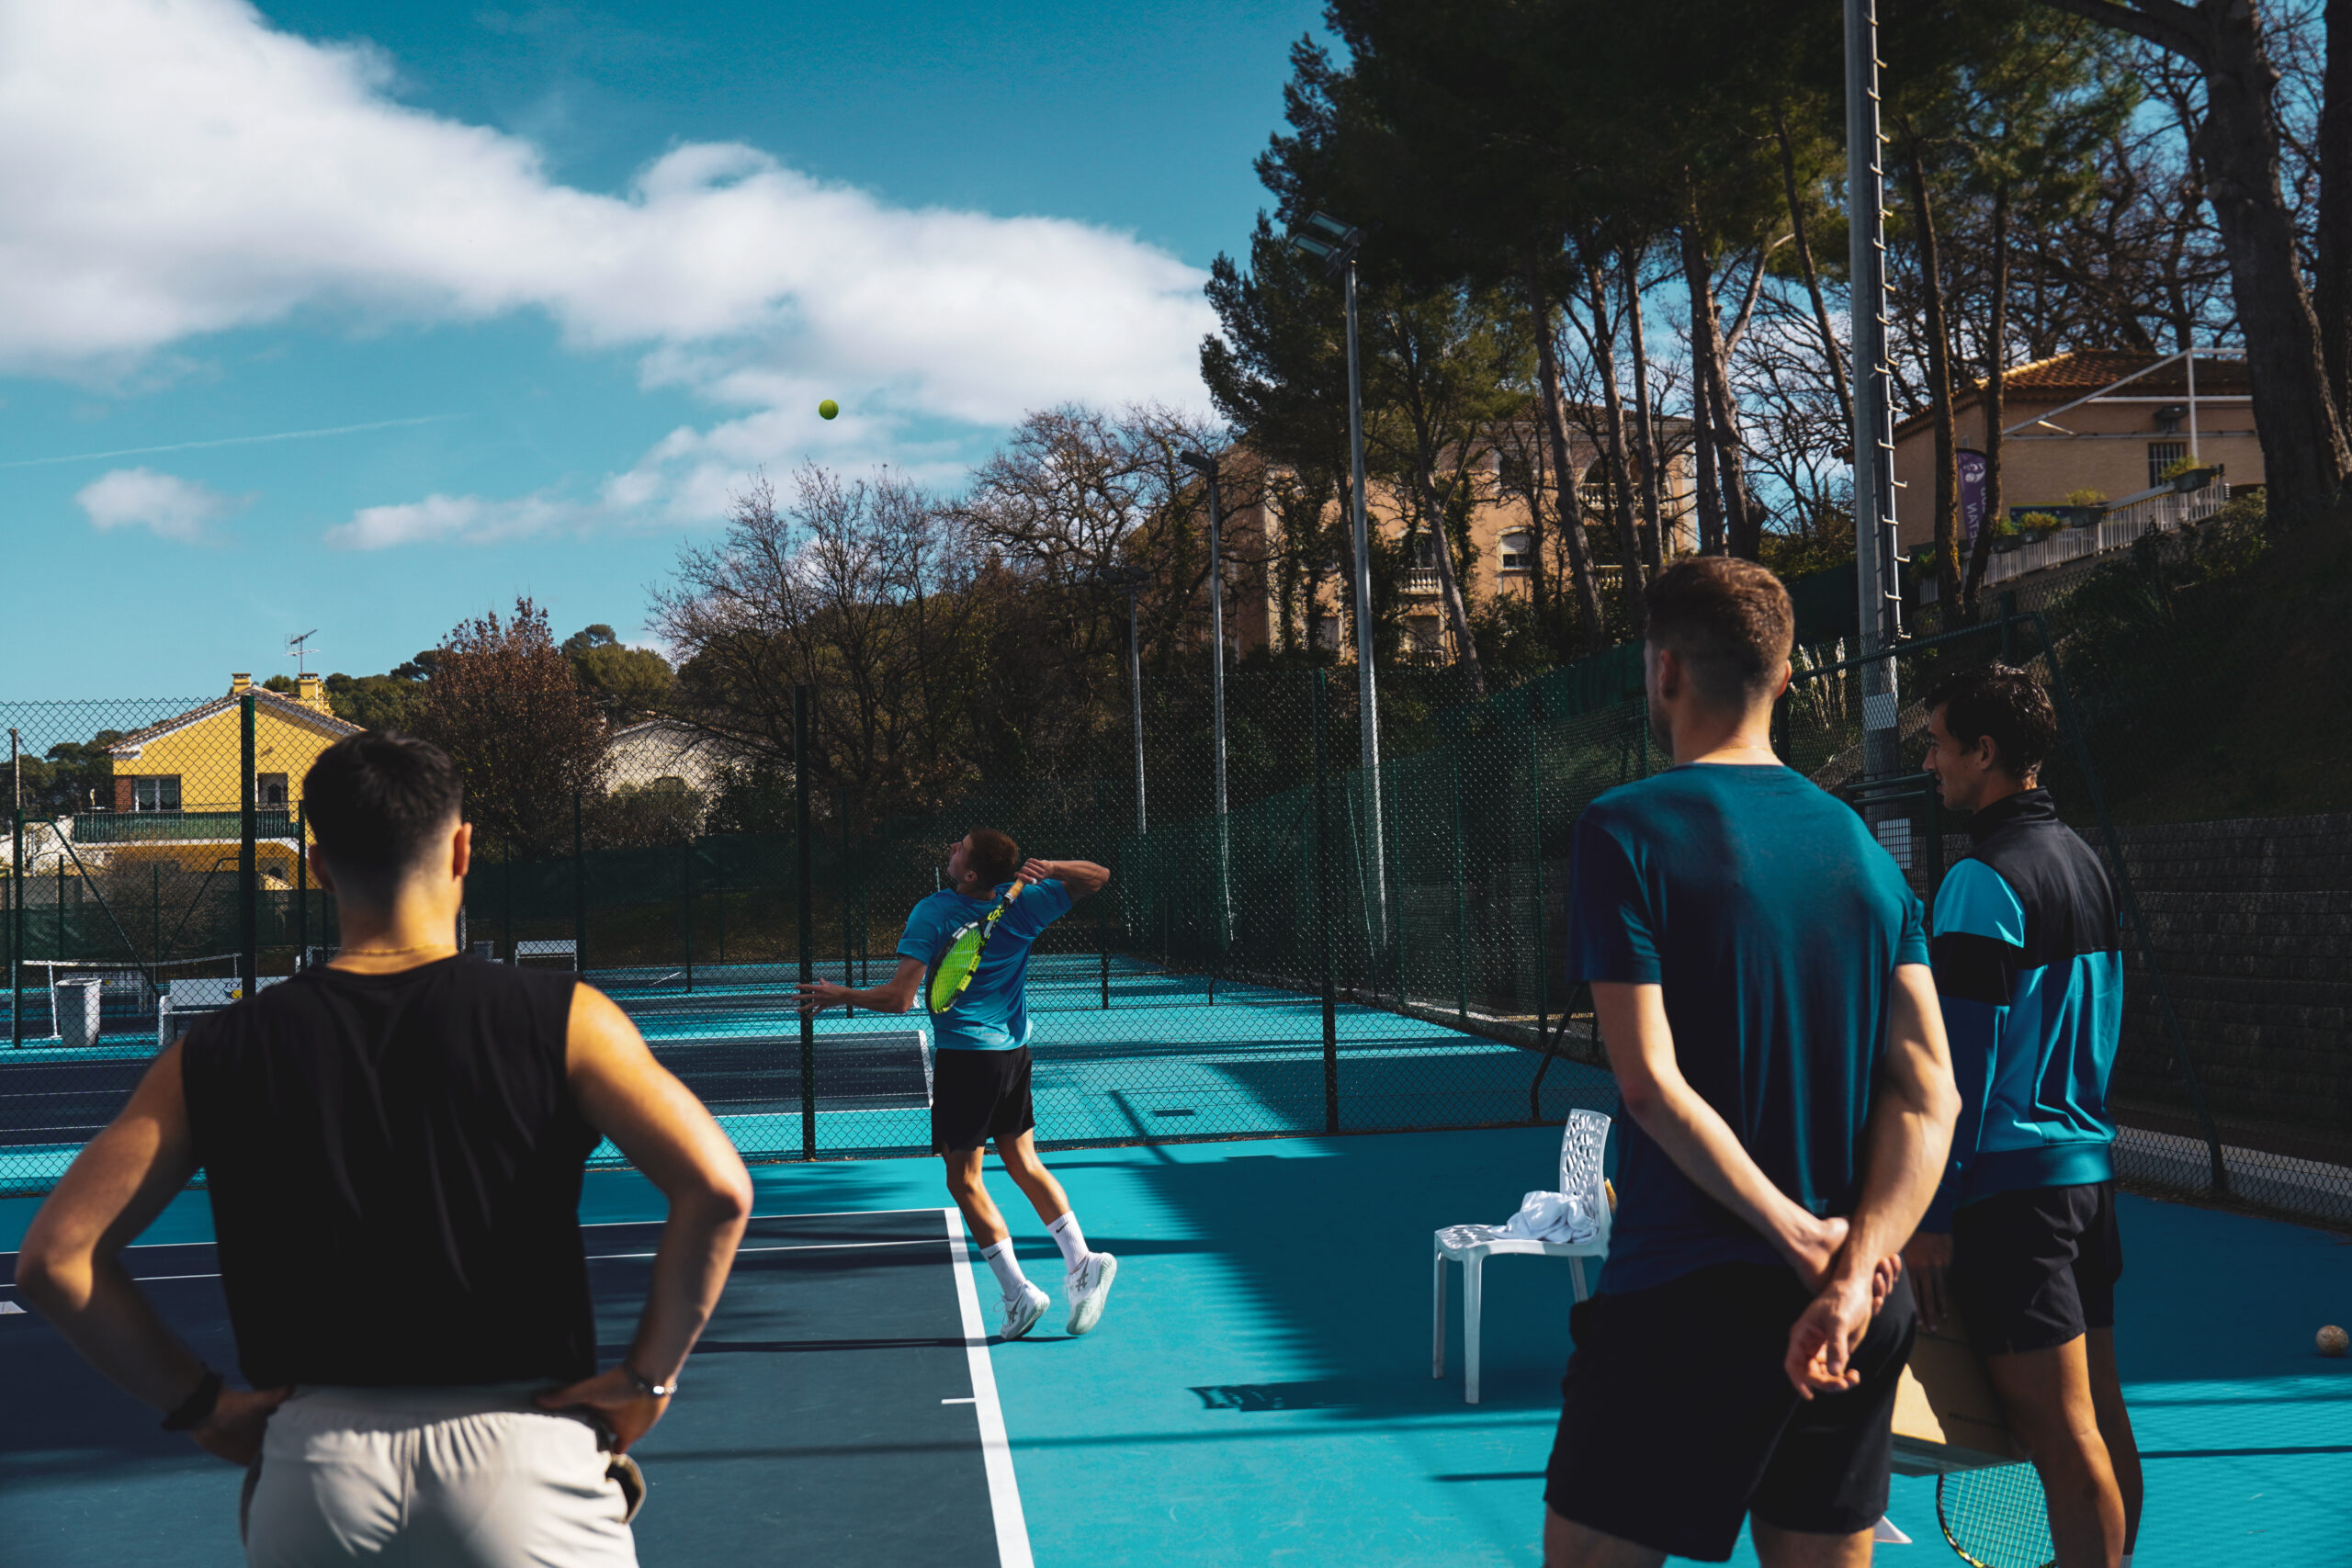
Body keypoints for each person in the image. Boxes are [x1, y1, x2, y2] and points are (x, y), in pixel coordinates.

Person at [14, 731, 753, 1567]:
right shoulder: (568, 1019)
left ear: (320, 865)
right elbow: (719, 1189)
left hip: (316, 1476)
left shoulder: (216, 1051)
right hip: (524, 1459)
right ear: (464, 847)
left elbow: (55, 1258)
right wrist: (647, 1379)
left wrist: (202, 1405)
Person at [1543, 558, 1961, 1568]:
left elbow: (1646, 1082)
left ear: (1664, 672)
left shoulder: (1625, 829)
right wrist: (1852, 1270)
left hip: (1692, 1291)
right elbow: (1927, 1091)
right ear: (1783, 681)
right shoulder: (1862, 849)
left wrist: (1799, 1239)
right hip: (1860, 1303)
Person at [1905, 664, 2143, 1568]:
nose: (1929, 761)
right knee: (2100, 1425)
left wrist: (1928, 1216)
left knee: (2060, 1440)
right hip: (2087, 1185)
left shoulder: (1980, 881)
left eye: (1937, 743)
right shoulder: (2084, 861)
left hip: (2011, 1200)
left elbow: (1954, 1075)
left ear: (1985, 753)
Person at [798, 829, 1114, 1341]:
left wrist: (841, 994)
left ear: (970, 874)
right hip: (1014, 1054)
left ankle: (1018, 1294)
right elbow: (1098, 877)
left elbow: (900, 1000)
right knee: (1023, 1162)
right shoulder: (1027, 905)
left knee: (963, 1180)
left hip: (968, 1061)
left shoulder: (935, 912)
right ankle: (1081, 1262)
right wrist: (1051, 868)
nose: (949, 847)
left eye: (959, 847)